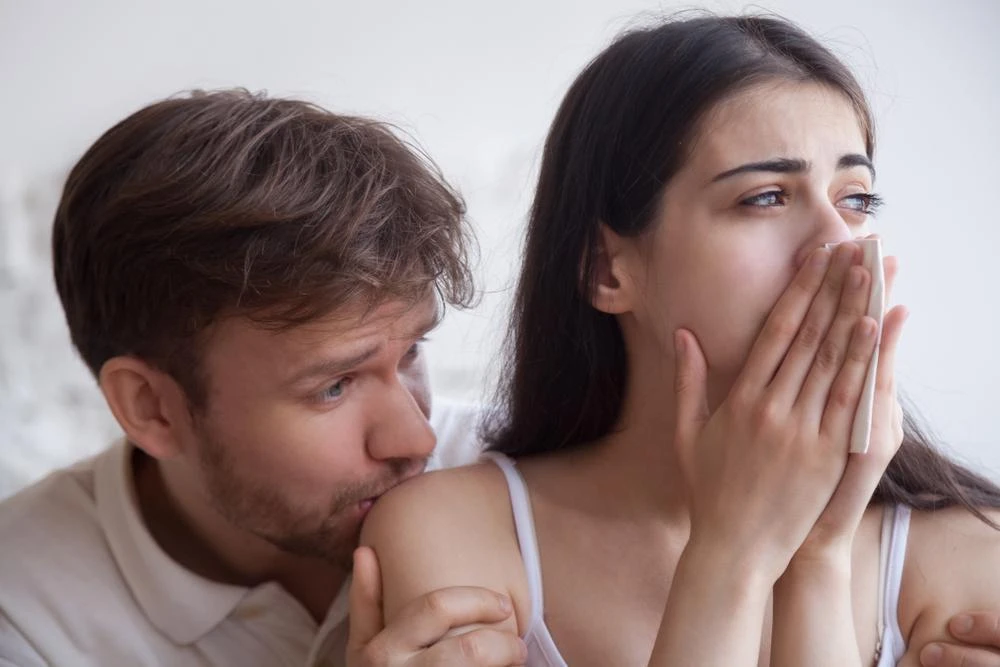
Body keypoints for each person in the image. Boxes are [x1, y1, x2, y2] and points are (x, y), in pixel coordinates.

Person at [361, 14, 1000, 667]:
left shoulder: (966, 551)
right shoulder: (456, 532)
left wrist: (817, 554)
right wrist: (733, 555)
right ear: (606, 269)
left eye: (857, 198)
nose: (840, 242)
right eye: (767, 197)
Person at [0, 90, 528, 666]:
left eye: (411, 354)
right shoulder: (24, 615)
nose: (417, 440)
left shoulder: (517, 476)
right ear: (152, 407)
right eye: (335, 385)